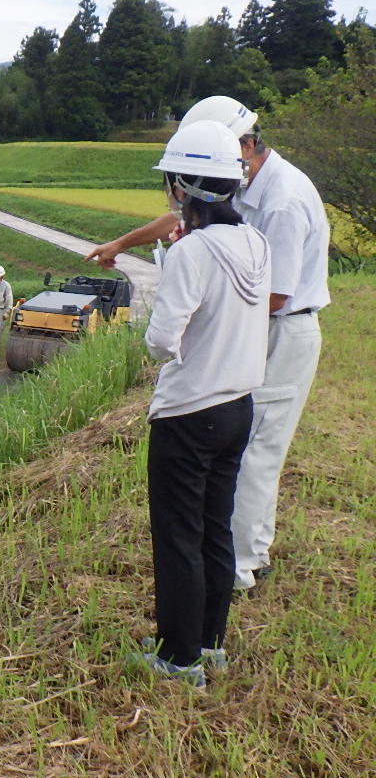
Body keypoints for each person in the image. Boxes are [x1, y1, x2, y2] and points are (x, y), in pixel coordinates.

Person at [86, 95, 329, 592]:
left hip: (282, 330)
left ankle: (239, 567)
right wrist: (122, 245)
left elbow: (275, 294)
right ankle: (248, 555)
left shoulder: (280, 200)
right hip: (255, 332)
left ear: (244, 144)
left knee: (257, 450)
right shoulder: (236, 184)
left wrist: (203, 310)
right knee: (247, 441)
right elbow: (180, 215)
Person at [130, 120, 270, 687]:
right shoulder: (255, 242)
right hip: (239, 405)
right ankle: (207, 641)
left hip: (189, 415)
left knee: (177, 533)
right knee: (215, 527)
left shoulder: (192, 254)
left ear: (182, 188)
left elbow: (161, 339)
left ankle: (178, 658)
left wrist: (173, 265)